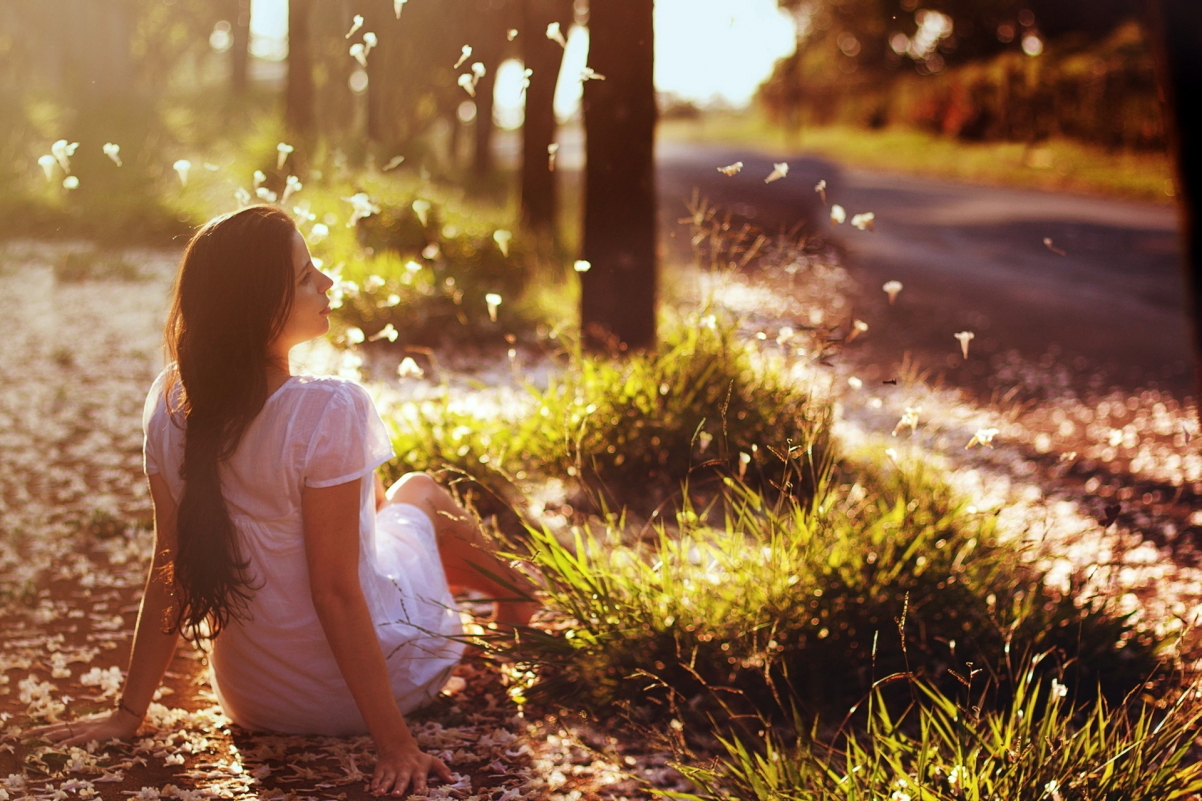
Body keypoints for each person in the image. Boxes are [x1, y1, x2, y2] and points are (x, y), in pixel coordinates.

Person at [26, 206, 539, 797]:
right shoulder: (332, 408)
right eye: (305, 276)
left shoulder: (171, 401)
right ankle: (513, 594)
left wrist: (127, 713)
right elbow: (334, 591)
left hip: (256, 698)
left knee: (376, 504)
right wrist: (396, 745)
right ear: (258, 306)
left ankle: (506, 591)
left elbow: (169, 565)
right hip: (376, 691)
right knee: (417, 491)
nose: (328, 283)